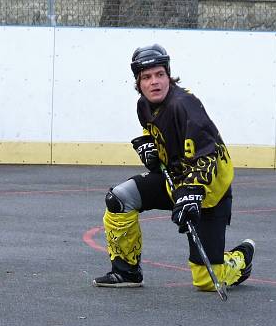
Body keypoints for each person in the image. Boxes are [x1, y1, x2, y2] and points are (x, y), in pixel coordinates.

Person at [92, 44, 255, 293]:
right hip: (174, 181)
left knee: (207, 281)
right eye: (146, 77)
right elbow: (154, 130)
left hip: (208, 192)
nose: (154, 82)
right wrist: (148, 144)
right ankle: (127, 271)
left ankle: (239, 260)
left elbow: (208, 155)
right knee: (119, 199)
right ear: (138, 82)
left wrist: (192, 193)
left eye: (160, 75)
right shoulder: (143, 105)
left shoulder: (185, 105)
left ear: (169, 75)